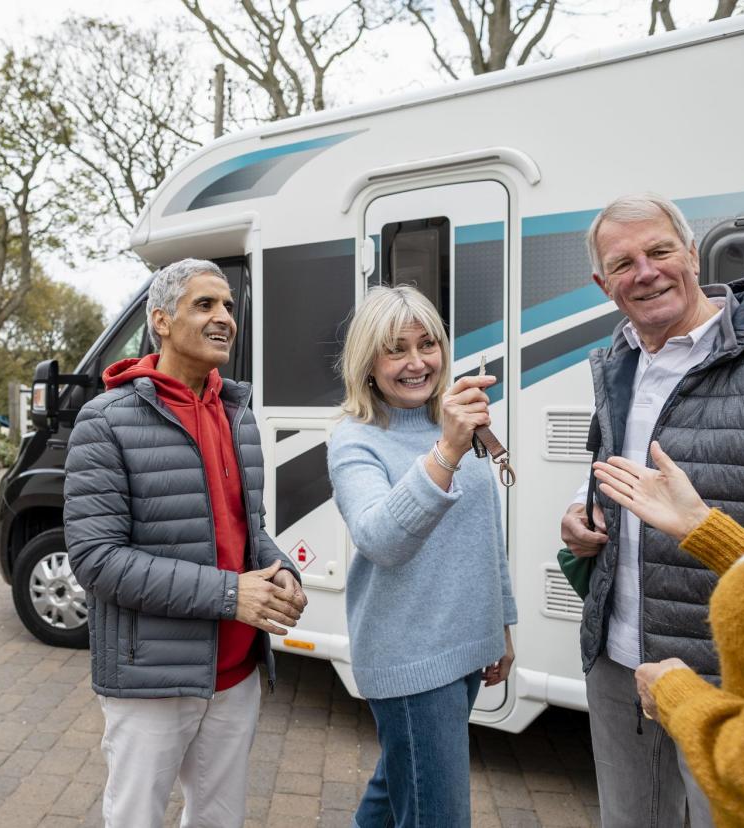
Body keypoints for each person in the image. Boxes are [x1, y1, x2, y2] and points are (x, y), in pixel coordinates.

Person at [559, 192, 744, 827]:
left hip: (721, 666)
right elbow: (611, 466)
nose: (646, 272)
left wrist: (700, 526)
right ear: (604, 284)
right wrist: (582, 510)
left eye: (659, 251)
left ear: (691, 251)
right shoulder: (618, 358)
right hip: (617, 654)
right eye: (623, 264)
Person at [63, 258, 307, 828]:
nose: (224, 317)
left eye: (228, 306)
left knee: (221, 820)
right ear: (161, 322)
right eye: (205, 305)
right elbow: (97, 560)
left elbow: (249, 526)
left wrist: (275, 569)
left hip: (236, 672)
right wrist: (231, 595)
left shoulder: (238, 413)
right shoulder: (105, 421)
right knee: (136, 818)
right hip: (150, 676)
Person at [327, 284, 516, 828]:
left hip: (464, 647)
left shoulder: (451, 422)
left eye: (427, 344)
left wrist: (499, 621)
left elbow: (483, 532)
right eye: (396, 349)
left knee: (395, 792)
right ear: (368, 362)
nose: (417, 363)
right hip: (409, 658)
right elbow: (380, 539)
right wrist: (448, 453)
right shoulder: (355, 439)